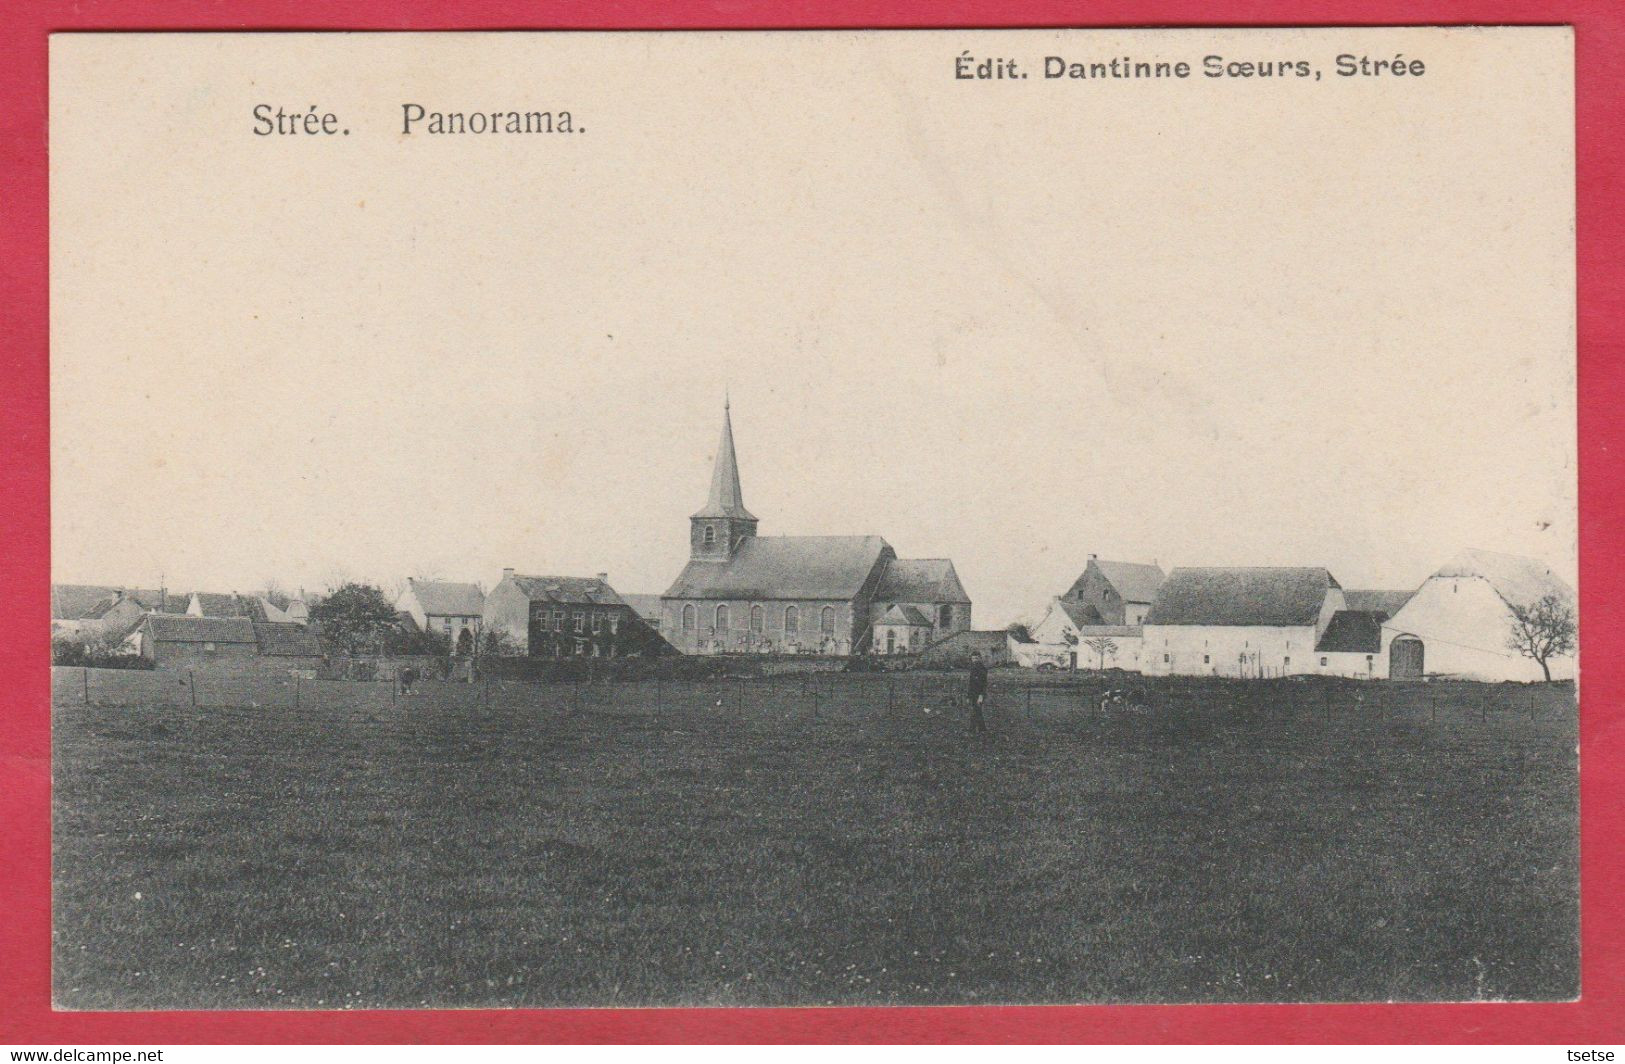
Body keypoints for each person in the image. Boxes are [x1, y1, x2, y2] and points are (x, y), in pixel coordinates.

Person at [967, 651, 989, 734]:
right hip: (973, 693)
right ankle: (982, 729)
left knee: (975, 711)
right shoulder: (973, 669)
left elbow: (984, 684)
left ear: (980, 658)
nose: (974, 660)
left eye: (976, 658)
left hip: (979, 694)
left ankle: (971, 730)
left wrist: (981, 696)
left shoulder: (982, 669)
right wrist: (968, 696)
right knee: (977, 711)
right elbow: (971, 683)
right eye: (973, 658)